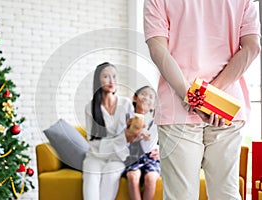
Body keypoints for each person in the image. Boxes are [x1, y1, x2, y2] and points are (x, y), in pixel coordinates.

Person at [143, 0, 261, 199]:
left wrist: (195, 98)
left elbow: (157, 49)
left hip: (177, 109)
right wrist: (210, 98)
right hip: (226, 106)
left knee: (180, 196)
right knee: (226, 193)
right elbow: (252, 47)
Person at [83, 62, 142, 200]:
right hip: (96, 156)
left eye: (114, 76)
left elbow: (133, 135)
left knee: (110, 176)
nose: (111, 81)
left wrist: (131, 137)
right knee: (91, 178)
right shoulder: (90, 107)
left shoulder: (126, 103)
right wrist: (123, 138)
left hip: (118, 156)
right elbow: (93, 143)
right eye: (106, 76)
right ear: (98, 80)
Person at [123, 86, 160, 200]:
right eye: (143, 94)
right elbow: (123, 144)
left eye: (151, 97)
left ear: (153, 105)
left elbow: (149, 148)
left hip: (150, 157)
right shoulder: (127, 117)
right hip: (131, 157)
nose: (146, 98)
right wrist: (134, 135)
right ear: (134, 98)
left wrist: (145, 136)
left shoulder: (154, 121)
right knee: (133, 176)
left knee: (151, 178)